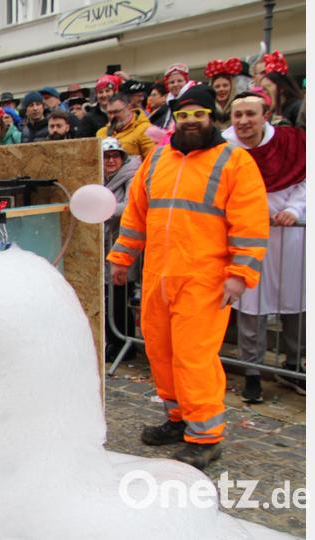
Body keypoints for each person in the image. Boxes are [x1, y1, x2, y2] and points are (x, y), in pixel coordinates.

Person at [107, 85, 269, 469]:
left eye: (199, 115)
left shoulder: (235, 162)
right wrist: (121, 256)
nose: (191, 122)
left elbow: (250, 222)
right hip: (158, 276)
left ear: (213, 117)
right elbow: (136, 214)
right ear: (174, 120)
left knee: (194, 358)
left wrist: (240, 275)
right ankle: (178, 419)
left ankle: (206, 436)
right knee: (161, 352)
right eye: (183, 116)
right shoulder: (158, 159)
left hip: (205, 279)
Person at [222, 92, 306, 401]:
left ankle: (294, 365)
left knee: (297, 302)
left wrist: (295, 211)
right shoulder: (224, 147)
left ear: (264, 116)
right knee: (251, 305)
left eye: (250, 114)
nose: (244, 121)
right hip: (248, 236)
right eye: (238, 115)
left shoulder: (292, 142)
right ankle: (252, 371)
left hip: (290, 236)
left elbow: (307, 181)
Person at [101, 137, 142, 364]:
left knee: (119, 298)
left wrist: (103, 208)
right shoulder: (101, 179)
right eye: (106, 157)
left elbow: (130, 207)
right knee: (108, 298)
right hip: (104, 247)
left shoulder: (130, 177)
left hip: (122, 245)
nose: (111, 161)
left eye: (115, 156)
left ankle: (126, 343)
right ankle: (114, 342)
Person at [96, 94, 155, 162]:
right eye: (109, 113)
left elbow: (153, 161)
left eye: (116, 112)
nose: (112, 116)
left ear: (129, 107)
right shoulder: (101, 133)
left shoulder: (146, 129)